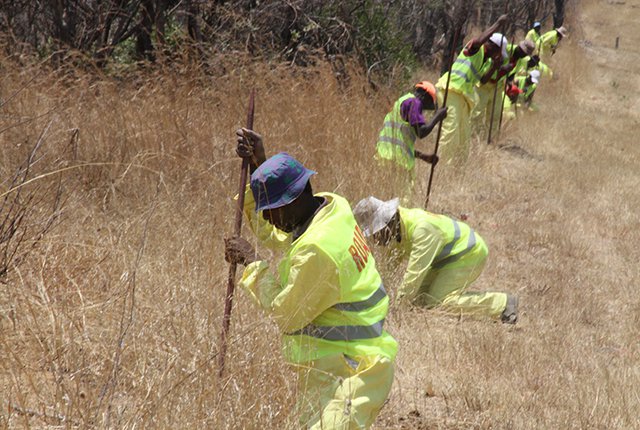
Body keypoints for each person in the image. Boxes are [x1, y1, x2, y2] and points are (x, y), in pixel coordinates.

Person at [224, 129, 398, 429]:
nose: (266, 219)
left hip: (353, 369)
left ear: (294, 200)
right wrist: (259, 166)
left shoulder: (317, 250)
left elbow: (287, 314)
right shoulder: (332, 207)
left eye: (271, 210)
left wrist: (252, 262)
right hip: (341, 361)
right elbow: (281, 235)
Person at [352, 196, 518, 324]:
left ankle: (502, 304)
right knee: (419, 300)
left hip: (469, 254)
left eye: (375, 233)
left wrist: (395, 310)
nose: (375, 240)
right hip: (446, 259)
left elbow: (414, 275)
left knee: (437, 303)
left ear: (387, 223)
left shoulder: (422, 230)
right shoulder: (397, 229)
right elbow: (387, 272)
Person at [435, 14, 510, 165]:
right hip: (451, 90)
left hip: (463, 97)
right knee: (451, 131)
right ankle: (443, 166)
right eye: (498, 52)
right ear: (493, 47)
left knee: (464, 136)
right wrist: (497, 23)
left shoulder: (486, 61)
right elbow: (477, 41)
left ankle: (458, 168)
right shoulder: (476, 49)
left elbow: (482, 80)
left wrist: (495, 67)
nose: (498, 56)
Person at [375, 81, 447, 201]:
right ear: (424, 95)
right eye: (426, 105)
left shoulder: (401, 102)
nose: (422, 111)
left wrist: (423, 156)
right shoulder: (414, 102)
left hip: (384, 157)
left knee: (385, 199)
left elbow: (399, 143)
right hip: (398, 162)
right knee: (401, 202)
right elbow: (421, 132)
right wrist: (437, 117)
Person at [472, 39, 535, 133]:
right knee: (477, 113)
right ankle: (473, 137)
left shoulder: (520, 60)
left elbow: (511, 75)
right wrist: (503, 68)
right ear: (519, 47)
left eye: (525, 54)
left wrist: (509, 83)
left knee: (495, 115)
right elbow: (489, 64)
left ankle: (490, 139)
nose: (523, 55)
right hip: (484, 85)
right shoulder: (504, 49)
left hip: (497, 86)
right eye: (522, 52)